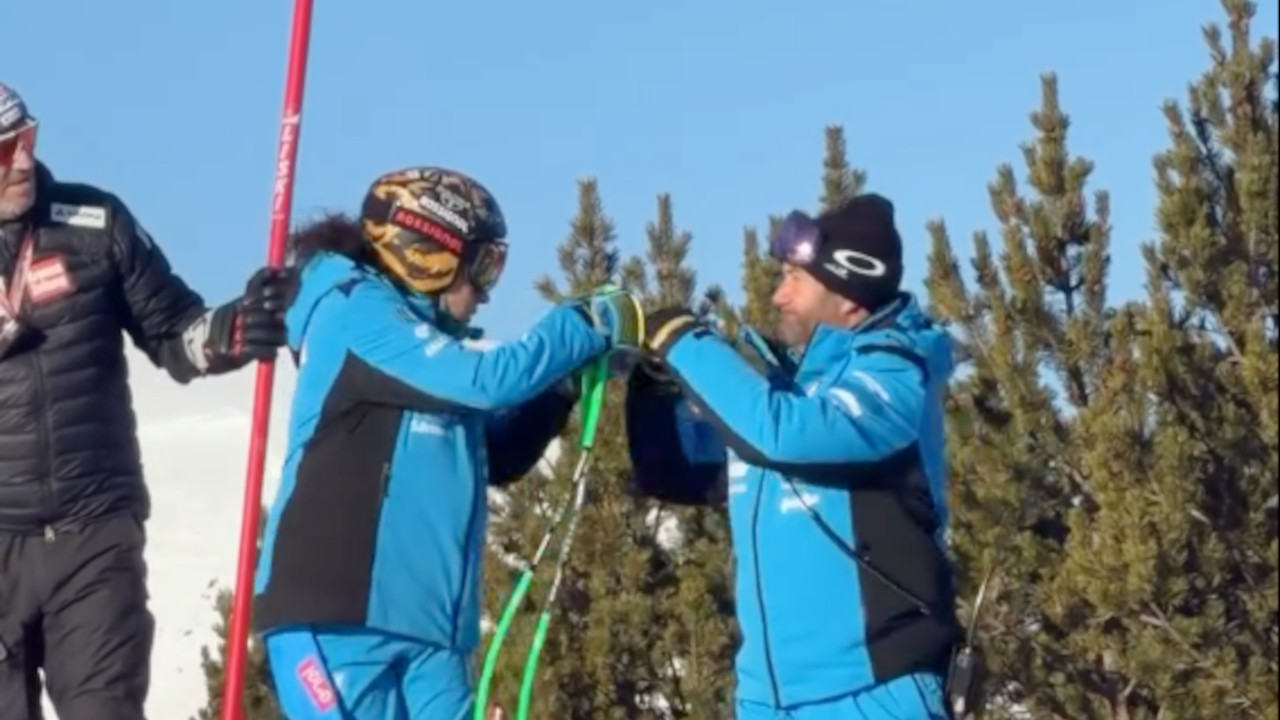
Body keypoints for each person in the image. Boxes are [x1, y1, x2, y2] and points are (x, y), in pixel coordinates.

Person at [252, 166, 643, 720]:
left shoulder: (428, 350)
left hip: (431, 631)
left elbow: (495, 456)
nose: (486, 291)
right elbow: (490, 381)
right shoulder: (354, 311)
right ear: (425, 251)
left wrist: (559, 388)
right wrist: (585, 322)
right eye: (481, 266)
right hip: (340, 617)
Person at [0, 83, 294, 720]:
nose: (23, 160)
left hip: (94, 533)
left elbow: (175, 333)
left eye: (28, 139)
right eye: (5, 150)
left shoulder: (94, 223)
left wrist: (235, 329)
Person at [624, 194, 960, 720]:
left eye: (795, 279)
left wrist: (685, 341)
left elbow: (782, 436)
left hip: (871, 695)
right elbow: (676, 471)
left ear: (851, 295)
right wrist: (653, 382)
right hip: (768, 702)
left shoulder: (894, 376)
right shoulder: (787, 398)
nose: (777, 296)